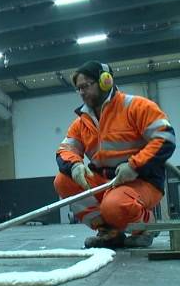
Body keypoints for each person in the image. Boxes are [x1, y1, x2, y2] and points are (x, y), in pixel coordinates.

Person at [54, 61, 175, 248]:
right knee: (63, 181)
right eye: (78, 89)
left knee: (114, 206)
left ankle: (145, 226)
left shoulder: (136, 107)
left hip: (143, 180)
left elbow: (165, 138)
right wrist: (75, 165)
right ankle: (109, 231)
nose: (82, 92)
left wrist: (134, 166)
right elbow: (65, 150)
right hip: (107, 182)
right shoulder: (82, 122)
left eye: (86, 86)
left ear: (105, 81)